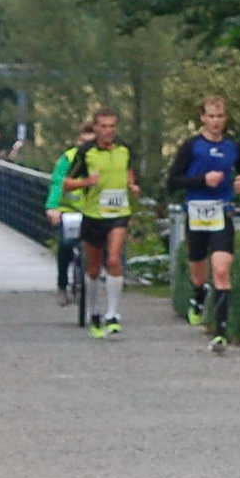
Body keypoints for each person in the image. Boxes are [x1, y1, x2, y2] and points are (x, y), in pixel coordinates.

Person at [167, 95, 240, 353]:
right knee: (199, 270)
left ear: (225, 119)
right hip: (195, 213)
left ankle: (221, 333)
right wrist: (203, 180)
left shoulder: (233, 147)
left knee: (222, 270)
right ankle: (198, 294)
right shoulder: (192, 146)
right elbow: (173, 181)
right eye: (211, 116)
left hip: (222, 213)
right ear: (203, 118)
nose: (216, 122)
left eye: (220, 116)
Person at [64, 108, 141, 338]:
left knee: (115, 259)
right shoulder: (85, 152)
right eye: (103, 126)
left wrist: (133, 185)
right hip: (94, 214)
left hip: (118, 213)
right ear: (95, 128)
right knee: (94, 268)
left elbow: (128, 170)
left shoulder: (125, 149)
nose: (108, 131)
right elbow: (67, 183)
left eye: (112, 126)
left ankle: (113, 314)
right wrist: (88, 181)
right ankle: (94, 311)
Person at [45, 123, 96, 307]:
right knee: (65, 244)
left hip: (93, 211)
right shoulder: (68, 158)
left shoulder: (98, 158)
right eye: (83, 142)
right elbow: (58, 183)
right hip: (69, 210)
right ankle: (62, 284)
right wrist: (53, 207)